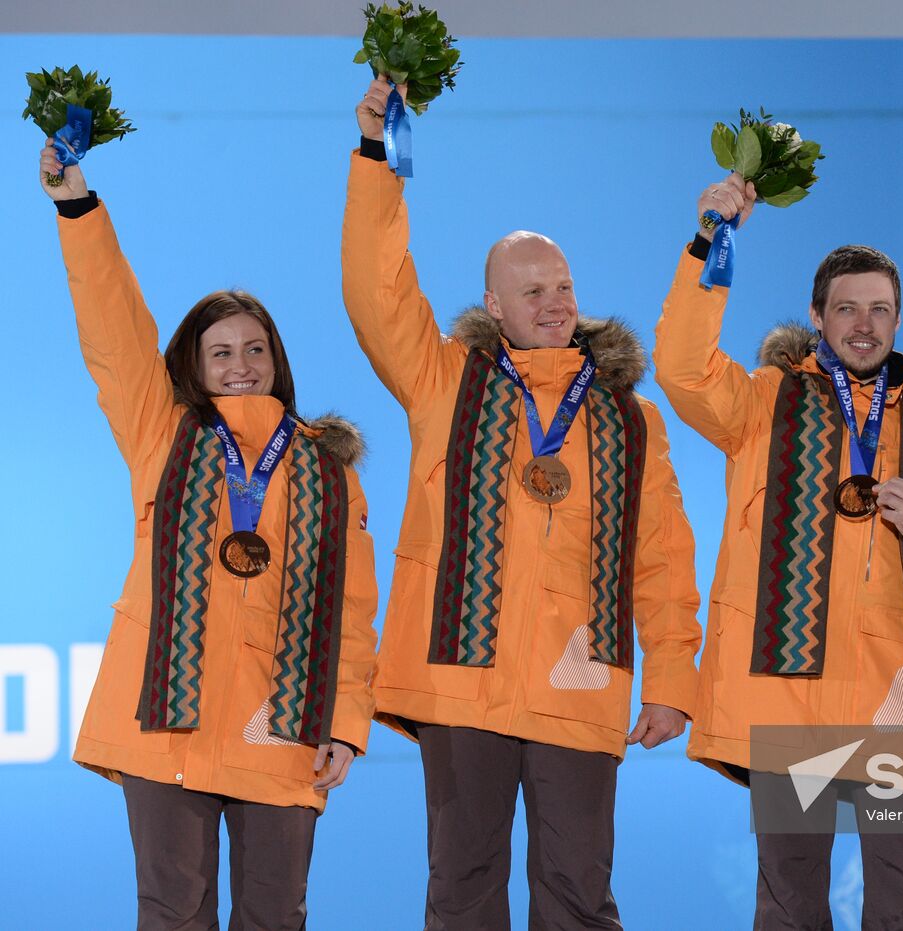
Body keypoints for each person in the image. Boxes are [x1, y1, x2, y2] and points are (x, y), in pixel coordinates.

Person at [341, 76, 703, 929]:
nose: (556, 303)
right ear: (494, 306)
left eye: (564, 286)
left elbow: (661, 556)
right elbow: (377, 290)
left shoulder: (628, 415)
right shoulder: (444, 382)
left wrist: (675, 676)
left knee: (579, 896)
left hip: (582, 680)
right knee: (463, 893)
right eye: (533, 290)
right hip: (462, 681)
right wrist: (374, 159)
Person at [653, 173, 903, 929]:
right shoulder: (762, 403)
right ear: (817, 314)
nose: (863, 324)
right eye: (847, 307)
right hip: (791, 699)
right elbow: (683, 370)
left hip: (901, 701)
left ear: (898, 319)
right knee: (789, 908)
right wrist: (710, 240)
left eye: (879, 309)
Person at [41, 141, 379, 930]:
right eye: (220, 352)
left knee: (275, 915)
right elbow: (114, 329)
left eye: (255, 349)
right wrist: (77, 208)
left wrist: (348, 722)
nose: (240, 365)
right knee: (172, 913)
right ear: (192, 365)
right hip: (169, 722)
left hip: (283, 723)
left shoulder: (329, 470)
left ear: (277, 360)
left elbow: (354, 614)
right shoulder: (163, 435)